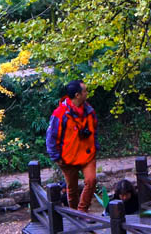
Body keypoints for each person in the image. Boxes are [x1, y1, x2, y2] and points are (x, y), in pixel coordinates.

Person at [46, 79, 99, 212]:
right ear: (77, 95)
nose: (87, 93)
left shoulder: (90, 111)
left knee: (91, 180)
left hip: (87, 154)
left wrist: (95, 146)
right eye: (85, 90)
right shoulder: (60, 114)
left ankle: (82, 212)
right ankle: (75, 214)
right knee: (72, 189)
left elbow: (95, 130)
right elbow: (51, 136)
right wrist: (56, 157)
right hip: (67, 158)